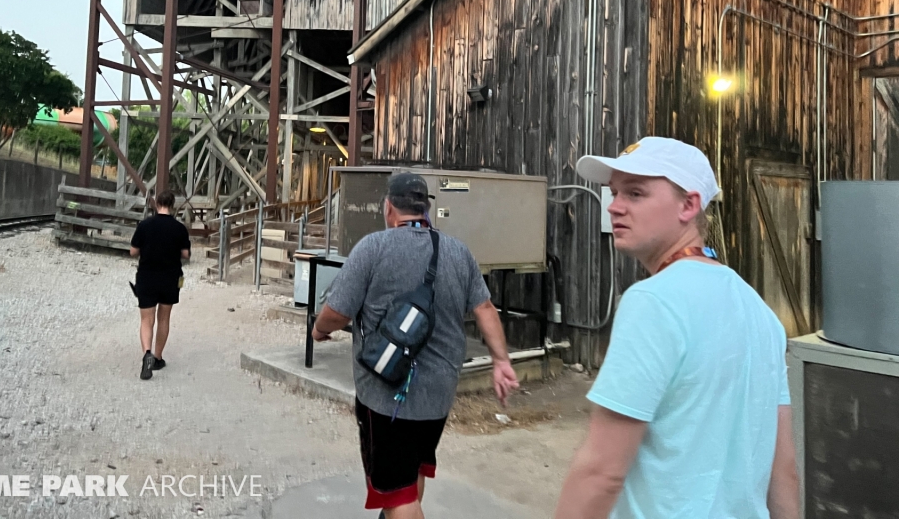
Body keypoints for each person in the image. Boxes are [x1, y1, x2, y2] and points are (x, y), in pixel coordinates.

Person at [554, 137, 800, 519]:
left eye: (635, 193)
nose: (615, 206)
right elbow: (782, 471)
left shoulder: (654, 301)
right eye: (614, 192)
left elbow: (601, 471)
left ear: (689, 205)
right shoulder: (760, 312)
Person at [312, 172, 521, 519]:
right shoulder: (457, 251)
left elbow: (336, 312)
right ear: (427, 209)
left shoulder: (372, 248)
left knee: (397, 495)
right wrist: (501, 361)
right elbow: (484, 308)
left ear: (388, 208)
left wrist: (319, 331)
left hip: (387, 395)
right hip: (438, 394)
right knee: (413, 471)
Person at [129, 189, 190, 381]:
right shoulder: (179, 228)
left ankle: (146, 353)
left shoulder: (145, 225)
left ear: (157, 204)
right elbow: (186, 254)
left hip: (146, 277)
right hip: (170, 278)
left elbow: (133, 251)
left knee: (147, 320)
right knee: (164, 319)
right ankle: (157, 357)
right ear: (172, 205)